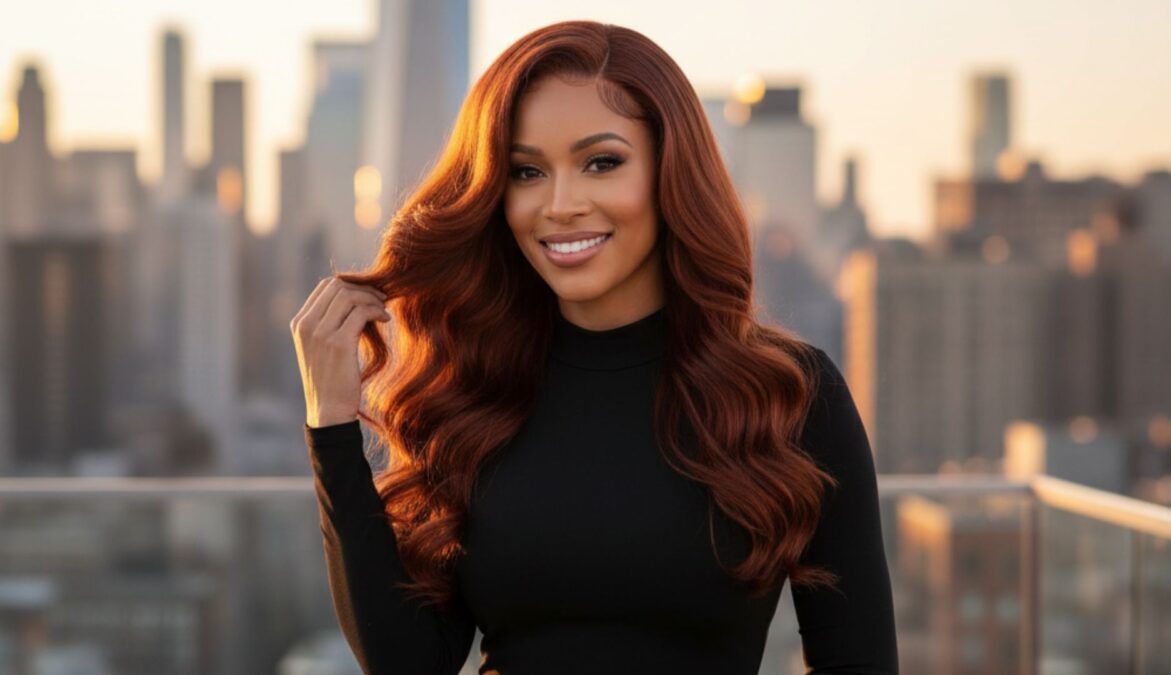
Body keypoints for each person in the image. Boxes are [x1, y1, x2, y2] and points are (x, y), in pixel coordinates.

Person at [290, 19, 898, 675]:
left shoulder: (791, 393)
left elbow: (858, 662)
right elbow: (409, 663)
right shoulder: (474, 390)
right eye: (526, 171)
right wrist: (331, 424)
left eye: (601, 162)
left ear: (671, 170)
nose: (560, 204)